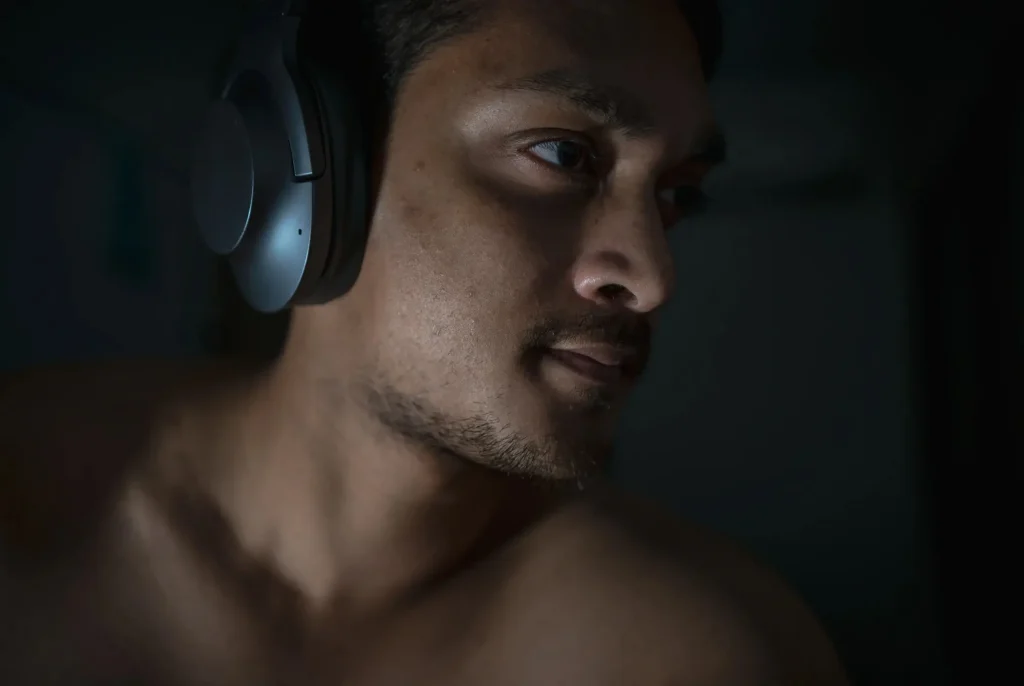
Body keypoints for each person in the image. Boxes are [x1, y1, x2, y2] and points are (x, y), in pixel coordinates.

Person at [0, 0, 851, 684]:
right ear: (305, 172)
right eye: (563, 155)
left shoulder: (706, 657)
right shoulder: (24, 515)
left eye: (676, 193)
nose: (655, 275)